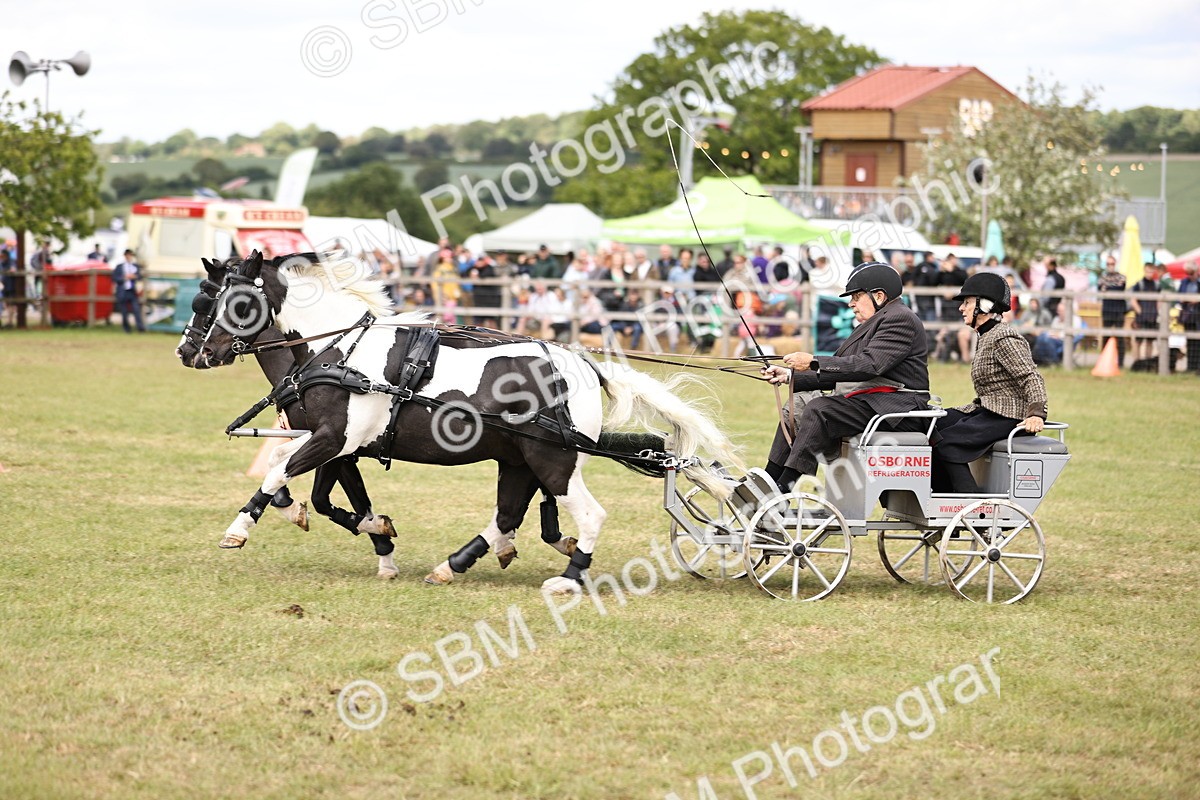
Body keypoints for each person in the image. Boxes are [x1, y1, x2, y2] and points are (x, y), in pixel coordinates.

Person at [760, 263, 931, 492]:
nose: (851, 303)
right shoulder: (873, 322)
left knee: (820, 408)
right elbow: (841, 370)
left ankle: (784, 487)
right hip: (870, 401)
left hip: (897, 409)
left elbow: (869, 365)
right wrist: (789, 376)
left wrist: (812, 361)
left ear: (879, 296)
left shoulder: (900, 319)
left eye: (857, 296)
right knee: (798, 404)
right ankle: (768, 480)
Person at [931, 273, 1047, 493]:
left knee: (946, 442)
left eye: (967, 302)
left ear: (984, 305)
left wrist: (1036, 414)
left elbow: (1030, 376)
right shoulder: (986, 335)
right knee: (932, 427)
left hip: (1008, 416)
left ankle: (969, 507)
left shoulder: (1004, 337)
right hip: (988, 410)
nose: (961, 308)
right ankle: (939, 504)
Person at [1097, 255, 1128, 366]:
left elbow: (1120, 288)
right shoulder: (1102, 277)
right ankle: (1104, 362)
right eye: (1108, 264)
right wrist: (1111, 287)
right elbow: (1100, 288)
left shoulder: (1122, 277)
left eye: (1112, 264)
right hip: (1107, 310)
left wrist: (1108, 288)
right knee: (1105, 336)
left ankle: (1121, 363)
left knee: (1120, 337)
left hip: (1119, 311)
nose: (1110, 266)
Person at [111, 249, 146, 333]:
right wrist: (124, 278)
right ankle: (126, 328)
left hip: (132, 291)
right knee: (124, 311)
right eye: (127, 255)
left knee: (136, 309)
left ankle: (140, 328)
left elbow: (140, 276)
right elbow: (114, 278)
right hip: (123, 291)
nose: (129, 257)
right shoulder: (120, 266)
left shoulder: (135, 266)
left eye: (130, 255)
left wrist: (134, 277)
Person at [1130, 262, 1159, 363]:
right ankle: (1136, 363)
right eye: (1148, 272)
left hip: (1152, 317)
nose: (1149, 274)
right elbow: (1133, 300)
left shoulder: (1156, 285)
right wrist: (1140, 312)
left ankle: (1148, 363)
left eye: (1151, 272)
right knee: (1138, 341)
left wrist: (1156, 312)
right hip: (1141, 318)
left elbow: (1159, 301)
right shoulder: (1139, 284)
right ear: (1144, 271)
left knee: (1150, 341)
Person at [1177, 262, 1200, 372]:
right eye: (1187, 273)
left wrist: (1195, 300)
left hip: (1198, 315)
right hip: (1188, 316)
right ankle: (1191, 367)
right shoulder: (1184, 282)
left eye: (1191, 273)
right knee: (1190, 342)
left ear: (1196, 271)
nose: (1189, 275)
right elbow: (1179, 297)